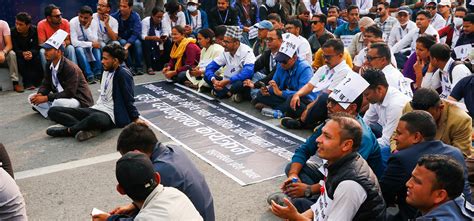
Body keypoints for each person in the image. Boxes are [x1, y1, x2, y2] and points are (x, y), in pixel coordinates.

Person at [273, 80, 382, 212]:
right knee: (292, 167)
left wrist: (308, 190)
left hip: (351, 188)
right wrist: (293, 176)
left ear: (352, 108)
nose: (329, 106)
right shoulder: (332, 123)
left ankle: (306, 202)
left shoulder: (362, 137)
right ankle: (307, 201)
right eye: (329, 101)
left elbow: (347, 177)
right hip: (330, 175)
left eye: (335, 103)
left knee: (301, 203)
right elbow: (305, 149)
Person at [270, 113, 386, 220]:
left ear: (346, 145)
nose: (318, 139)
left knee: (297, 205)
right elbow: (321, 207)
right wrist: (296, 216)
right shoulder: (337, 162)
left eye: (327, 136)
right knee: (298, 203)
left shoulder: (350, 185)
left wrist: (296, 217)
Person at [381, 111, 472, 220]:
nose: (408, 184)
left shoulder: (401, 159)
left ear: (416, 136)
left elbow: (382, 196)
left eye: (399, 133)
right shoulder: (455, 152)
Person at [114, 122, 215, 221]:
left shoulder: (160, 171)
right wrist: (133, 206)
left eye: (128, 156)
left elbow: (150, 214)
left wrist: (110, 219)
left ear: (137, 152)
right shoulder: (173, 150)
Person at [46, 44, 141, 141]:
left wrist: (135, 118)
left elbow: (128, 98)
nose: (102, 61)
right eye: (102, 58)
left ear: (115, 61)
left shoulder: (123, 74)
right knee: (53, 111)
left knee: (95, 118)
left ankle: (69, 131)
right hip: (97, 108)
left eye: (105, 59)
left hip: (111, 115)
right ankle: (88, 128)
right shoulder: (106, 70)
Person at [92, 152, 202, 220]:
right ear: (158, 178)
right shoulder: (175, 193)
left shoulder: (144, 218)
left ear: (120, 190)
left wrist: (110, 219)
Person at [281, 39, 351, 129]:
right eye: (324, 56)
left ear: (340, 56)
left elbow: (329, 94)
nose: (325, 60)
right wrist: (297, 94)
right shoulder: (324, 68)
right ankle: (313, 122)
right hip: (315, 102)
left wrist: (309, 107)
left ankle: (301, 122)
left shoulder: (344, 71)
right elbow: (309, 86)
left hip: (329, 106)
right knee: (293, 98)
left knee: (323, 98)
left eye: (328, 57)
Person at [29, 31, 94, 118]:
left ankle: (53, 112)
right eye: (45, 50)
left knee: (57, 103)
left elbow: (69, 92)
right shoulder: (49, 64)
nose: (45, 52)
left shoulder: (70, 67)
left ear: (58, 52)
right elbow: (46, 83)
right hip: (59, 97)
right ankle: (53, 113)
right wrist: (40, 94)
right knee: (31, 97)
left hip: (77, 99)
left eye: (48, 50)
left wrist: (46, 98)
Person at [396, 88, 472, 157]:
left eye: (428, 115)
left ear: (440, 108)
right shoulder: (409, 107)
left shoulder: (460, 120)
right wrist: (396, 151)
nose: (422, 120)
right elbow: (395, 134)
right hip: (410, 153)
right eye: (418, 115)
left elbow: (460, 155)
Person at [252, 33, 315, 115]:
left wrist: (281, 93)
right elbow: (274, 82)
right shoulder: (280, 64)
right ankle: (281, 109)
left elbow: (302, 93)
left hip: (302, 99)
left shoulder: (305, 68)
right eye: (280, 60)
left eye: (284, 61)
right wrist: (267, 89)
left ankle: (278, 109)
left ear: (294, 58)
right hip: (284, 95)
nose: (282, 64)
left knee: (292, 101)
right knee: (260, 94)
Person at [362, 68, 411, 169]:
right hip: (388, 133)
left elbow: (387, 141)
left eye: (367, 94)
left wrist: (362, 147)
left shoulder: (396, 105)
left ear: (379, 89)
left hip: (403, 143)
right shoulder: (376, 98)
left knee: (377, 153)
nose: (365, 98)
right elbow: (364, 123)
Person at [407, 155, 474, 220]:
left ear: (440, 195)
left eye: (417, 181)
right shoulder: (456, 200)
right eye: (412, 177)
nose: (408, 184)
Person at [204, 26, 255, 103]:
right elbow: (210, 67)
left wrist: (228, 81)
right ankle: (227, 93)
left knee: (239, 83)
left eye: (227, 42)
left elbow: (247, 73)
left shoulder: (247, 51)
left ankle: (224, 92)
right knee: (207, 76)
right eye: (223, 41)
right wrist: (214, 80)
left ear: (236, 43)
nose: (223, 44)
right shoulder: (226, 51)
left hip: (238, 82)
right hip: (226, 81)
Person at [243, 29, 281, 99]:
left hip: (279, 83)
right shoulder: (267, 53)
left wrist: (255, 85)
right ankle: (255, 96)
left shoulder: (283, 55)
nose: (268, 42)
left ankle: (254, 96)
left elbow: (273, 75)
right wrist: (245, 77)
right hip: (269, 81)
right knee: (250, 75)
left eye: (271, 39)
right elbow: (255, 67)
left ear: (280, 40)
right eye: (267, 39)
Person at [37, 4, 77, 70]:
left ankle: (74, 72)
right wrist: (54, 47)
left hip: (62, 49)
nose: (60, 17)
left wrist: (64, 43)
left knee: (70, 48)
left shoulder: (65, 22)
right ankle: (48, 76)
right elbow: (41, 43)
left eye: (60, 15)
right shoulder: (41, 24)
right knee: (42, 51)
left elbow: (68, 41)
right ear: (49, 18)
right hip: (49, 49)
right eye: (57, 16)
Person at [70, 5, 102, 84]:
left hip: (88, 46)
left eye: (86, 18)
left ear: (91, 18)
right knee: (79, 48)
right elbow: (74, 42)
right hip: (79, 47)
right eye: (81, 17)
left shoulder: (94, 22)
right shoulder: (73, 22)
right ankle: (89, 75)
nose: (82, 19)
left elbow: (95, 40)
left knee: (97, 47)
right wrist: (90, 44)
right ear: (78, 14)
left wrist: (86, 29)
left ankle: (98, 73)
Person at [111, 0, 144, 75]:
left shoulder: (135, 16)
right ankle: (130, 67)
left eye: (124, 6)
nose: (121, 8)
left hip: (132, 39)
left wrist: (126, 46)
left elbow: (136, 33)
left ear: (130, 7)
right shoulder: (114, 16)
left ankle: (139, 67)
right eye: (120, 6)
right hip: (122, 39)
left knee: (137, 43)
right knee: (122, 42)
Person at [11, 12, 42, 90]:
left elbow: (37, 47)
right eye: (16, 23)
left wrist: (31, 53)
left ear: (28, 25)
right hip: (20, 55)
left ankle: (39, 82)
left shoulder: (35, 30)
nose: (18, 26)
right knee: (20, 61)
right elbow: (14, 48)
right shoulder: (12, 32)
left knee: (37, 58)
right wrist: (23, 54)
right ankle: (28, 83)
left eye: (21, 24)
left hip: (32, 54)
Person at [141, 7, 172, 74]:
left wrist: (164, 37)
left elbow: (165, 31)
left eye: (161, 17)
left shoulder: (163, 20)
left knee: (168, 42)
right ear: (152, 15)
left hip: (160, 40)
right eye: (157, 17)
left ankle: (166, 64)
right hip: (149, 39)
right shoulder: (146, 21)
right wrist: (152, 37)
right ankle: (149, 67)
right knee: (147, 43)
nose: (159, 19)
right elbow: (143, 36)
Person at [0, 19, 22, 92]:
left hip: (4, 54)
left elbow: (9, 45)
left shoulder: (3, 24)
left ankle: (15, 83)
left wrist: (3, 53)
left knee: (12, 54)